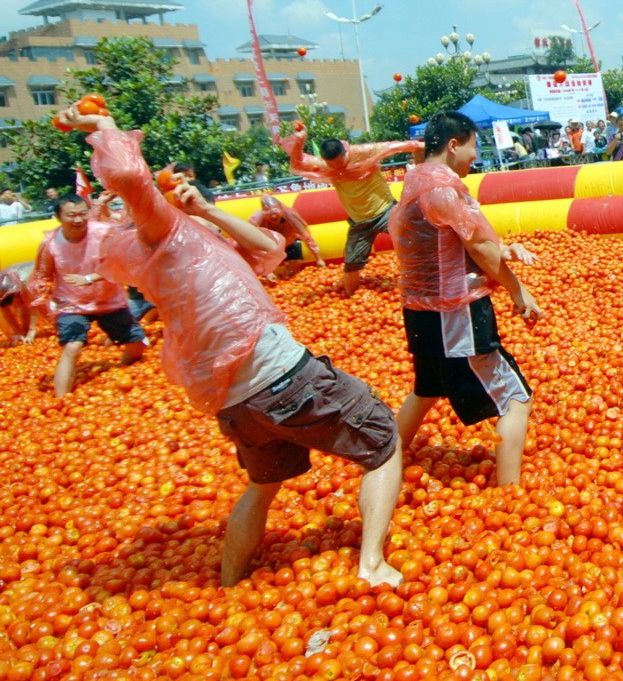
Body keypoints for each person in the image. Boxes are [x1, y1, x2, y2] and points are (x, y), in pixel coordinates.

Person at [62, 104, 405, 588]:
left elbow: (269, 250)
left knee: (262, 485)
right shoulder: (165, 234)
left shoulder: (181, 242)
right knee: (383, 438)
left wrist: (203, 209)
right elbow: (129, 176)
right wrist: (103, 127)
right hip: (282, 376)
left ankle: (229, 581)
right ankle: (371, 564)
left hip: (236, 403)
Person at [390, 111, 542, 488]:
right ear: (454, 144)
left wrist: (502, 248)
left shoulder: (415, 180)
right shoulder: (443, 187)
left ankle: (384, 459)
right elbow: (477, 247)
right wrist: (517, 290)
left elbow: (447, 242)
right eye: (474, 145)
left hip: (420, 309)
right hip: (454, 311)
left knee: (426, 388)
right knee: (515, 397)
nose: (476, 155)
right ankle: (511, 492)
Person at [27, 194, 148, 397]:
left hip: (108, 299)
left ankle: (124, 368)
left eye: (82, 214)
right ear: (58, 217)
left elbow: (119, 263)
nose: (78, 220)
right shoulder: (50, 244)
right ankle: (61, 399)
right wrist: (43, 292)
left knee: (137, 345)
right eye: (71, 215)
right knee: (72, 347)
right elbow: (42, 276)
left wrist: (90, 278)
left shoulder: (104, 234)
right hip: (72, 305)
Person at [281, 127, 422, 296]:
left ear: (345, 152)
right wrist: (299, 139)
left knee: (416, 240)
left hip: (386, 210)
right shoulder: (323, 165)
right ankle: (350, 295)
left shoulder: (362, 152)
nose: (339, 168)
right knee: (352, 263)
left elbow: (398, 146)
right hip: (359, 221)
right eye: (333, 165)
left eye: (341, 162)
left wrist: (427, 146)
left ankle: (423, 281)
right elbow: (298, 162)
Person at [250, 195, 326, 278]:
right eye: (269, 215)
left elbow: (307, 237)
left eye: (276, 214)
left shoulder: (291, 216)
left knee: (293, 272)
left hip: (290, 242)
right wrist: (266, 272)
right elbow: (253, 244)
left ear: (281, 209)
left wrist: (318, 259)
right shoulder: (257, 220)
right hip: (270, 247)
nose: (273, 217)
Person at [0, 262, 37, 345]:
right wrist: (18, 333)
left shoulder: (25, 284)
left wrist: (32, 330)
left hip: (35, 278)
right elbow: (7, 314)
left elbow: (34, 306)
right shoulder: (1, 291)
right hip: (18, 286)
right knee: (22, 308)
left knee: (45, 308)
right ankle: (24, 331)